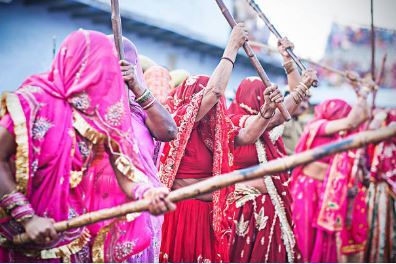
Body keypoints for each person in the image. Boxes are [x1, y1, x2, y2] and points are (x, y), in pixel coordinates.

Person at [0, 30, 175, 262]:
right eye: (103, 73)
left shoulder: (99, 117)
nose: (108, 83)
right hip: (24, 237)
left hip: (73, 239)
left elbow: (123, 168)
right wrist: (27, 218)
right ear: (78, 67)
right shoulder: (31, 103)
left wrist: (147, 192)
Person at [159, 23, 285, 263]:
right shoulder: (179, 122)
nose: (217, 109)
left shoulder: (214, 129)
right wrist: (232, 47)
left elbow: (246, 136)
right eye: (208, 102)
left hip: (209, 215)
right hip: (183, 213)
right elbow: (215, 92)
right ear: (193, 99)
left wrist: (267, 111)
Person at [224, 37, 317, 263]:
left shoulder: (267, 131)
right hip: (238, 208)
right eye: (262, 96)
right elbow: (278, 115)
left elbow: (287, 109)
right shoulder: (234, 122)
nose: (268, 101)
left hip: (267, 207)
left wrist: (288, 61)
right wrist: (303, 86)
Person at [291, 94, 370, 262]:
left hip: (327, 191)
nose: (347, 116)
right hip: (308, 190)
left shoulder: (338, 134)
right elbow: (351, 122)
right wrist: (363, 92)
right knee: (305, 237)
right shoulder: (319, 126)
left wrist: (362, 94)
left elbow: (363, 117)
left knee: (324, 240)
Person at [365, 108, 396, 262]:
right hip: (383, 187)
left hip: (386, 188)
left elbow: (371, 131)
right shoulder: (384, 140)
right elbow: (370, 133)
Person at [282, 89, 311, 155]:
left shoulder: (301, 123)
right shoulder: (277, 121)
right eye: (303, 100)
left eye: (307, 102)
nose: (306, 106)